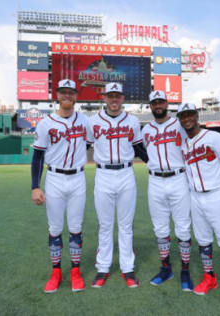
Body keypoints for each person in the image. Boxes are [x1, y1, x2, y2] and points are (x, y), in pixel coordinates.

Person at [177, 103, 220, 312]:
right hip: (195, 197)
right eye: (183, 116)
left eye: (190, 114)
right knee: (203, 240)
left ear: (197, 116)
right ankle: (210, 278)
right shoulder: (183, 144)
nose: (187, 119)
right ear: (180, 119)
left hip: (217, 194)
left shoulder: (214, 137)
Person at [86, 82, 148, 288]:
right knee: (105, 225)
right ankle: (102, 268)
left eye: (117, 96)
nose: (114, 99)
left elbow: (139, 148)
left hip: (126, 173)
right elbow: (83, 145)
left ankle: (127, 268)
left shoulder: (132, 120)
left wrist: (155, 165)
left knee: (125, 225)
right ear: (105, 97)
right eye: (110, 96)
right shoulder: (93, 121)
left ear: (122, 98)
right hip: (103, 174)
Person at [31, 79, 89, 293]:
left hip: (78, 178)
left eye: (70, 92)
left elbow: (96, 141)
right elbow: (37, 157)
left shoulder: (85, 121)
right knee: (55, 228)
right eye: (63, 92)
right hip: (54, 178)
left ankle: (75, 271)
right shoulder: (46, 123)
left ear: (75, 96)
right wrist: (35, 186)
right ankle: (56, 271)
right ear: (57, 95)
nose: (67, 95)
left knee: (76, 227)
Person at [141, 91, 193, 291]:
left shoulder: (180, 125)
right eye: (154, 102)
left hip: (178, 178)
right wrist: (152, 163)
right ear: (151, 106)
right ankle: (166, 268)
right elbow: (141, 150)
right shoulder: (145, 130)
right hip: (155, 181)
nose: (158, 105)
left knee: (182, 227)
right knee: (160, 228)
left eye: (161, 101)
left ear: (167, 103)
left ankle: (185, 271)